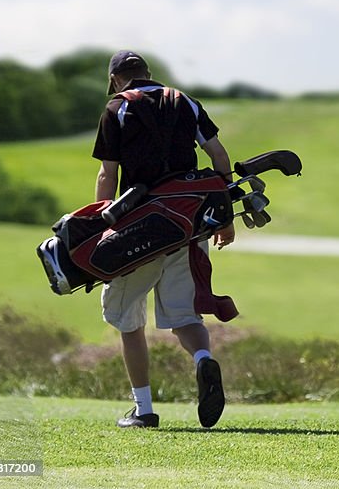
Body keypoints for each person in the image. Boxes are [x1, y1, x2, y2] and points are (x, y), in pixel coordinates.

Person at [93, 50, 235, 429]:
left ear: (116, 79)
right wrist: (224, 217)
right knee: (185, 316)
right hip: (190, 226)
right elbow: (218, 155)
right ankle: (203, 358)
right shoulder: (183, 100)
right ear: (148, 73)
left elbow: (109, 175)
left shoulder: (117, 108)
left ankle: (144, 409)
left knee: (128, 320)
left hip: (137, 229)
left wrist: (100, 229)